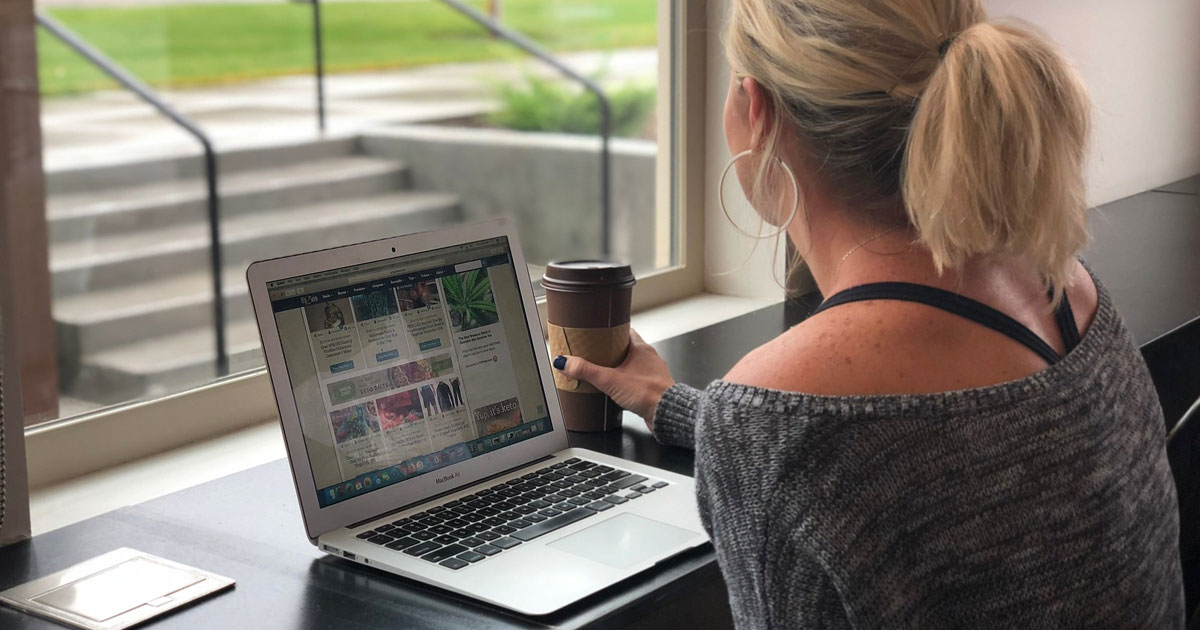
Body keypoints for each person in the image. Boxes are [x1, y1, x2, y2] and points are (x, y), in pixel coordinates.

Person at [553, 1, 1184, 627]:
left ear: (758, 112)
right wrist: (691, 412)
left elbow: (831, 445)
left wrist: (738, 427)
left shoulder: (778, 423)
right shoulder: (1067, 292)